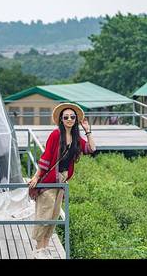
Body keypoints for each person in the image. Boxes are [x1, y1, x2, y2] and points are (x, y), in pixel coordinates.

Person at [27, 102, 96, 259]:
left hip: (62, 181)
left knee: (54, 216)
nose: (70, 119)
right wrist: (37, 176)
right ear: (61, 119)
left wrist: (88, 131)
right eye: (66, 117)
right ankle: (38, 250)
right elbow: (46, 157)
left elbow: (92, 149)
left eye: (72, 117)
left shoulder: (76, 138)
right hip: (49, 180)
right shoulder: (55, 135)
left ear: (76, 119)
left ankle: (44, 248)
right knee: (44, 214)